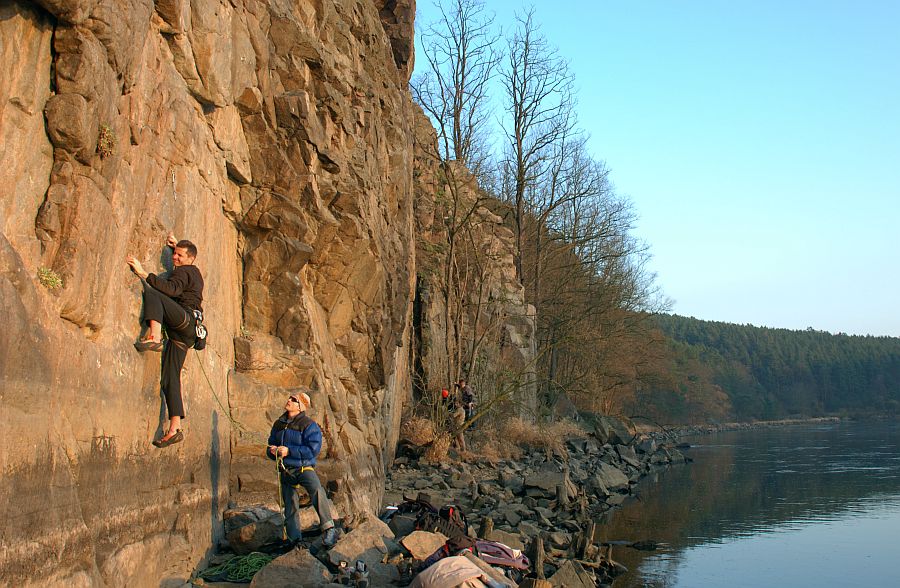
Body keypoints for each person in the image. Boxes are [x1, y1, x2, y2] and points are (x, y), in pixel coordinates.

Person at [126, 233, 204, 448]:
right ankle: (175, 427)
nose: (175, 258)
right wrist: (175, 246)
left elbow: (172, 289)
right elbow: (186, 261)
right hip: (188, 332)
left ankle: (155, 335)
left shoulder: (186, 270)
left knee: (153, 291)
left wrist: (143, 273)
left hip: (184, 320)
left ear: (190, 259)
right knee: (170, 378)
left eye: (179, 255)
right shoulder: (192, 271)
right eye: (174, 254)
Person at [267, 391, 341, 547]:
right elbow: (270, 445)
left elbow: (313, 450)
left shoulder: (309, 425)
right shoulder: (278, 424)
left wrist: (289, 451)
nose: (289, 400)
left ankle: (329, 529)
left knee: (317, 491)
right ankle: (294, 540)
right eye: (290, 398)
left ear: (300, 407)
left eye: (293, 400)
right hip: (286, 470)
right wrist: (272, 451)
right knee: (290, 505)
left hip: (304, 468)